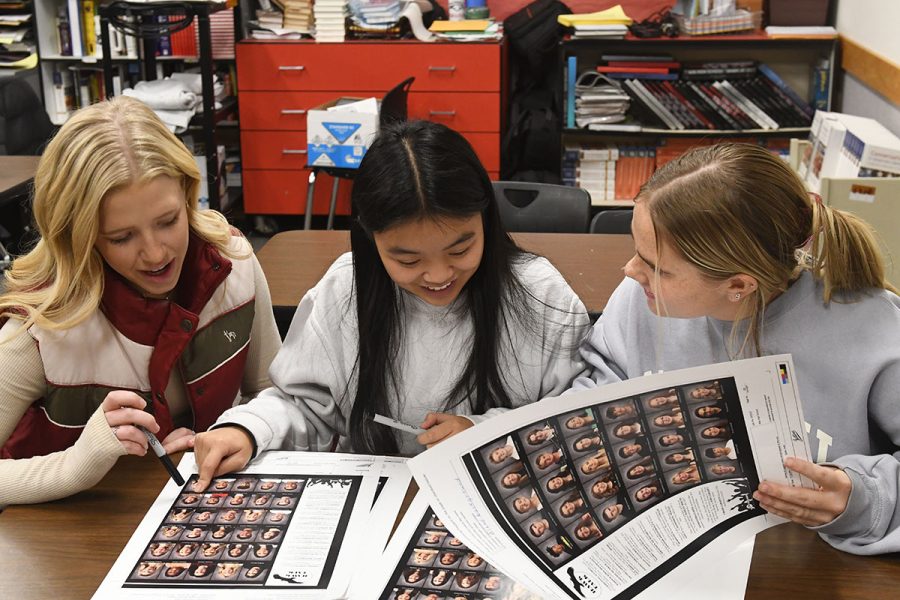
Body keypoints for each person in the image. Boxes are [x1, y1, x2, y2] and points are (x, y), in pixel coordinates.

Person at [191, 120, 589, 484]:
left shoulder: (540, 294)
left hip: (506, 490)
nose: (438, 276)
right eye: (408, 260)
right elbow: (305, 404)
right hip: (379, 502)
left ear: (486, 219)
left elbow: (581, 412)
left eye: (461, 248)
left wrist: (486, 432)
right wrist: (247, 428)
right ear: (371, 239)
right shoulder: (345, 290)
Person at [572, 142, 900, 554]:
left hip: (800, 564)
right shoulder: (641, 295)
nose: (631, 271)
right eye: (638, 253)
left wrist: (861, 496)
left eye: (658, 267)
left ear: (739, 286)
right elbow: (600, 382)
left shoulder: (876, 332)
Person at [0, 97, 281, 505]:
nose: (155, 254)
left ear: (189, 196)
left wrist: (240, 430)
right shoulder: (40, 325)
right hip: (62, 546)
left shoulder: (234, 264)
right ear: (81, 237)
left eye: (168, 222)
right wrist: (78, 463)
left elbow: (271, 393)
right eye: (121, 237)